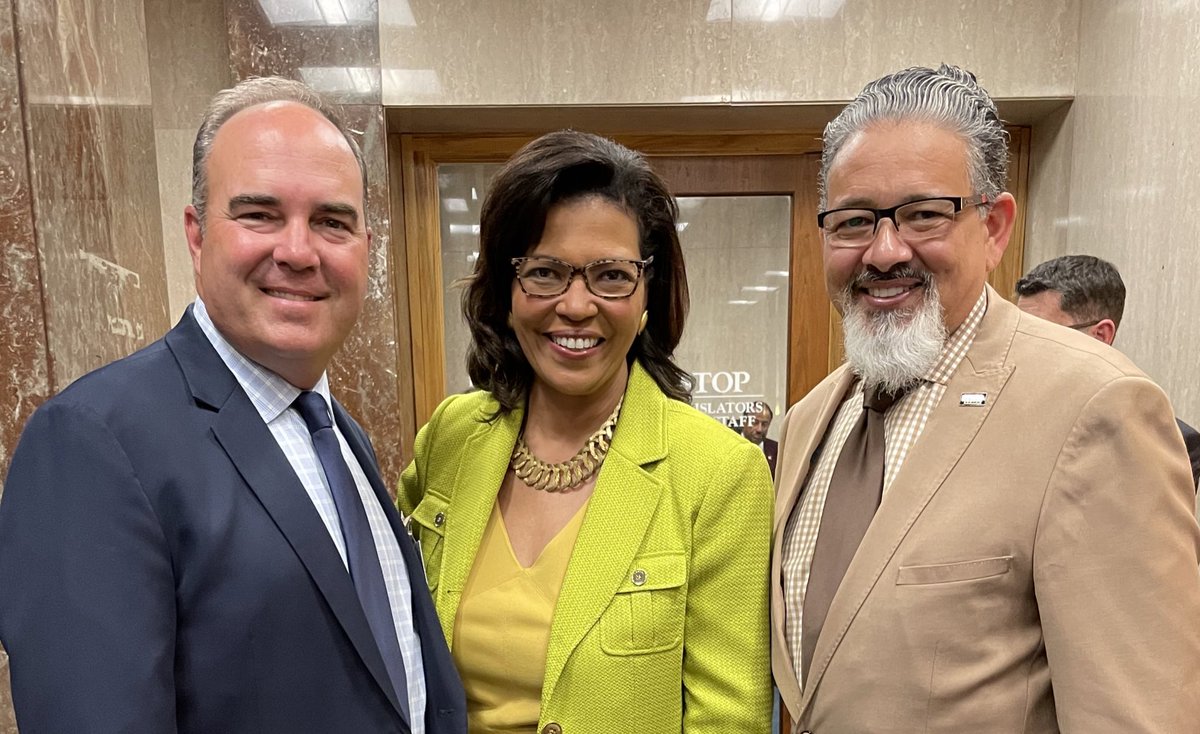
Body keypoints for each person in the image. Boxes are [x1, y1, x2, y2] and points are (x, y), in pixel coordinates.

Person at [0, 77, 464, 733]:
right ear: (196, 234)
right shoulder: (95, 442)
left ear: (366, 248)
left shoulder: (340, 435)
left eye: (332, 222)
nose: (298, 252)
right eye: (259, 214)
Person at [771, 65, 1200, 732]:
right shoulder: (809, 422)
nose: (884, 252)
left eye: (922, 215)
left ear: (994, 227)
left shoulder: (1095, 406)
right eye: (854, 222)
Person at [398, 130, 773, 733]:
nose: (575, 305)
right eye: (545, 272)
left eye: (611, 275)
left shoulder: (717, 473)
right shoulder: (453, 436)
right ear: (507, 290)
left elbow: (729, 719)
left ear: (647, 292)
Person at [1015, 254, 1200, 490]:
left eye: (1040, 336)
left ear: (1100, 336)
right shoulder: (1005, 412)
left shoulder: (1170, 446)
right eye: (1018, 334)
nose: (1021, 350)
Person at [739, 402, 778, 476]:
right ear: (744, 421)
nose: (759, 429)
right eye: (754, 422)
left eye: (764, 424)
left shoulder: (777, 451)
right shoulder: (731, 445)